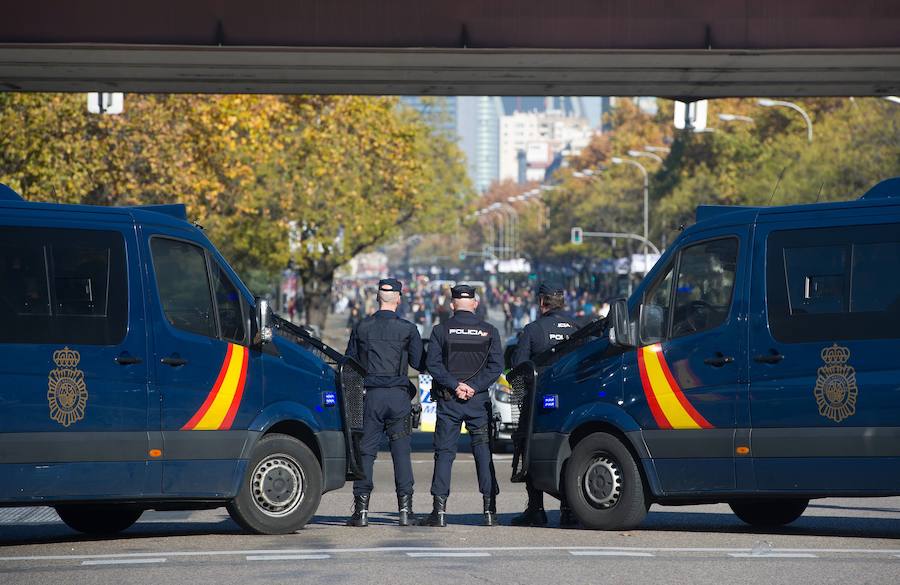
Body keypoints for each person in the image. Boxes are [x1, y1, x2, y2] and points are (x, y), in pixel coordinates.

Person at [345, 278, 424, 527]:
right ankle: (404, 510)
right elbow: (419, 363)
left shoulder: (362, 327)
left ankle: (361, 511)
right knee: (401, 453)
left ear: (377, 298)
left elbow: (350, 364)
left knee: (366, 452)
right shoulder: (408, 329)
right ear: (398, 299)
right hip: (398, 396)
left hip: (371, 396)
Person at [422, 284, 503, 527]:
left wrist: (455, 385)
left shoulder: (440, 330)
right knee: (482, 453)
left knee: (445, 454)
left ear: (452, 304)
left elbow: (433, 365)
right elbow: (496, 366)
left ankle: (439, 511)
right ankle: (489, 511)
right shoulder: (489, 331)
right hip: (478, 402)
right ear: (475, 304)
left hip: (450, 401)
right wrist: (474, 387)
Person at [510, 281, 580, 527]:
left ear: (541, 302)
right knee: (572, 453)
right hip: (573, 403)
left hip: (540, 403)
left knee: (530, 451)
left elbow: (519, 367)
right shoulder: (577, 329)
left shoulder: (533, 329)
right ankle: (569, 509)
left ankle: (536, 509)